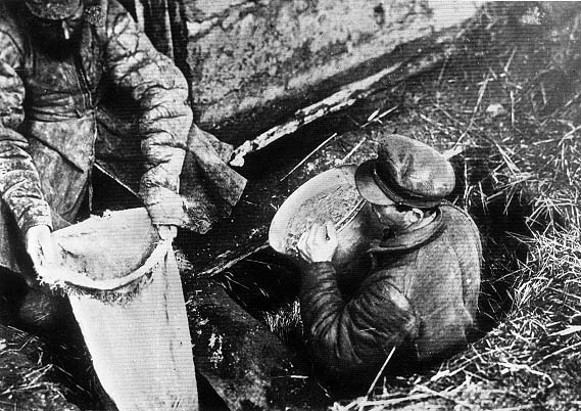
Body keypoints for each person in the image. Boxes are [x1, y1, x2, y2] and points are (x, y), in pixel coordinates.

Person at [0, 0, 192, 328]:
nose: (62, 30)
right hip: (48, 133)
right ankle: (56, 278)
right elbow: (4, 137)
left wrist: (161, 194)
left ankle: (154, 243)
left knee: (186, 151)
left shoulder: (103, 14)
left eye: (69, 19)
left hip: (108, 119)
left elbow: (164, 90)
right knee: (28, 216)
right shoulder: (7, 31)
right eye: (50, 21)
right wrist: (34, 221)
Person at [297, 134, 482, 384]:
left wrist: (318, 267)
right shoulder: (456, 218)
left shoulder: (393, 292)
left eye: (380, 204)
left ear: (414, 215)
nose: (370, 205)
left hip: (415, 375)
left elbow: (334, 350)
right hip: (447, 329)